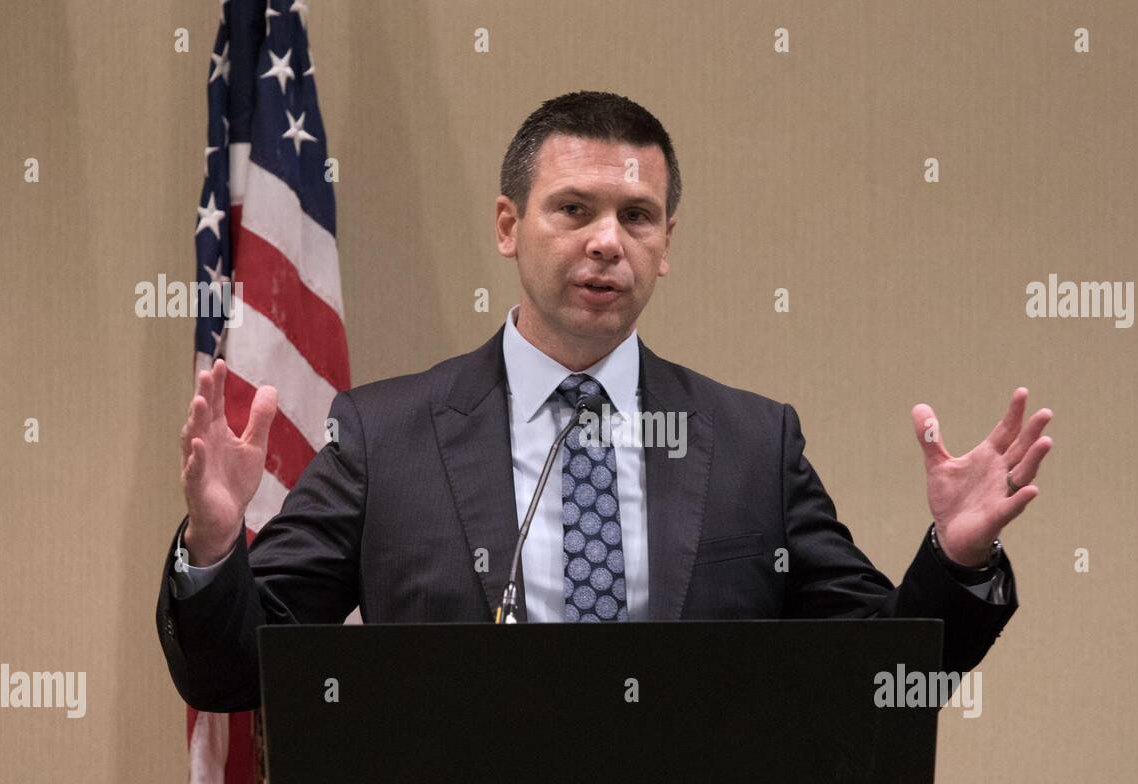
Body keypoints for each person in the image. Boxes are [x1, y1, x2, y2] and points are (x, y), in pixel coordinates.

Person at [156, 91, 1053, 713]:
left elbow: (892, 672)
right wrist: (214, 545)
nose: (605, 243)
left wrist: (957, 559)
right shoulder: (386, 434)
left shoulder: (751, 443)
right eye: (573, 209)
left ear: (667, 246)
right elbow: (234, 670)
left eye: (637, 217)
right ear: (508, 227)